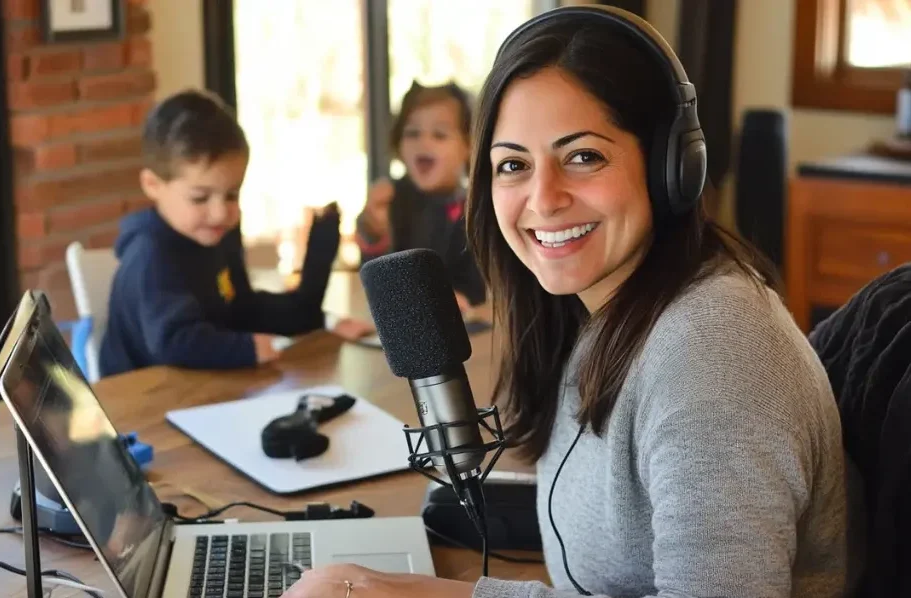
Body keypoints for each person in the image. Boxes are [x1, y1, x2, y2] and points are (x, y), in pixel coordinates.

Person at [283, 6, 854, 598]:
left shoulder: (714, 354)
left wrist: (428, 595)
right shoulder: (605, 310)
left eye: (583, 156)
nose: (544, 198)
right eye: (513, 165)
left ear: (671, 167)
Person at [100, 90, 372, 377]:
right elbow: (173, 341)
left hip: (199, 391)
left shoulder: (216, 236)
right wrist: (245, 348)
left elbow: (241, 308)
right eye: (200, 198)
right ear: (153, 185)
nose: (220, 213)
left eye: (232, 195)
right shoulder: (151, 256)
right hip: (140, 409)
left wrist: (321, 321)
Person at [356, 81, 486, 312]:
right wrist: (374, 229)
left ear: (468, 147)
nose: (423, 142)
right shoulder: (392, 200)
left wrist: (461, 297)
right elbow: (375, 275)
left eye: (440, 134)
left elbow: (475, 284)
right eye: (412, 133)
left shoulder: (472, 207)